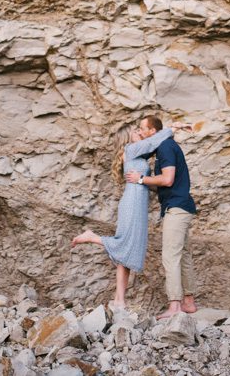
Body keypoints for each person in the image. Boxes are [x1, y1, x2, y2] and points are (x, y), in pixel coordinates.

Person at [70, 122, 177, 308]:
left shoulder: (137, 153)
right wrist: (172, 128)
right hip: (132, 203)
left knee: (127, 253)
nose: (140, 133)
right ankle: (92, 237)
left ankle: (119, 300)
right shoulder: (131, 148)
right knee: (125, 244)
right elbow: (153, 141)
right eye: (136, 131)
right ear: (128, 137)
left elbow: (153, 145)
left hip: (137, 203)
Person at [125, 115, 198, 319]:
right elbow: (164, 183)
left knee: (171, 256)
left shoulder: (165, 147)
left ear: (152, 132)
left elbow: (167, 180)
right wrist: (145, 182)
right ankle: (189, 303)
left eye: (142, 129)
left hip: (176, 208)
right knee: (184, 255)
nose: (141, 132)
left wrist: (141, 179)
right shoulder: (165, 147)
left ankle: (174, 306)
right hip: (182, 206)